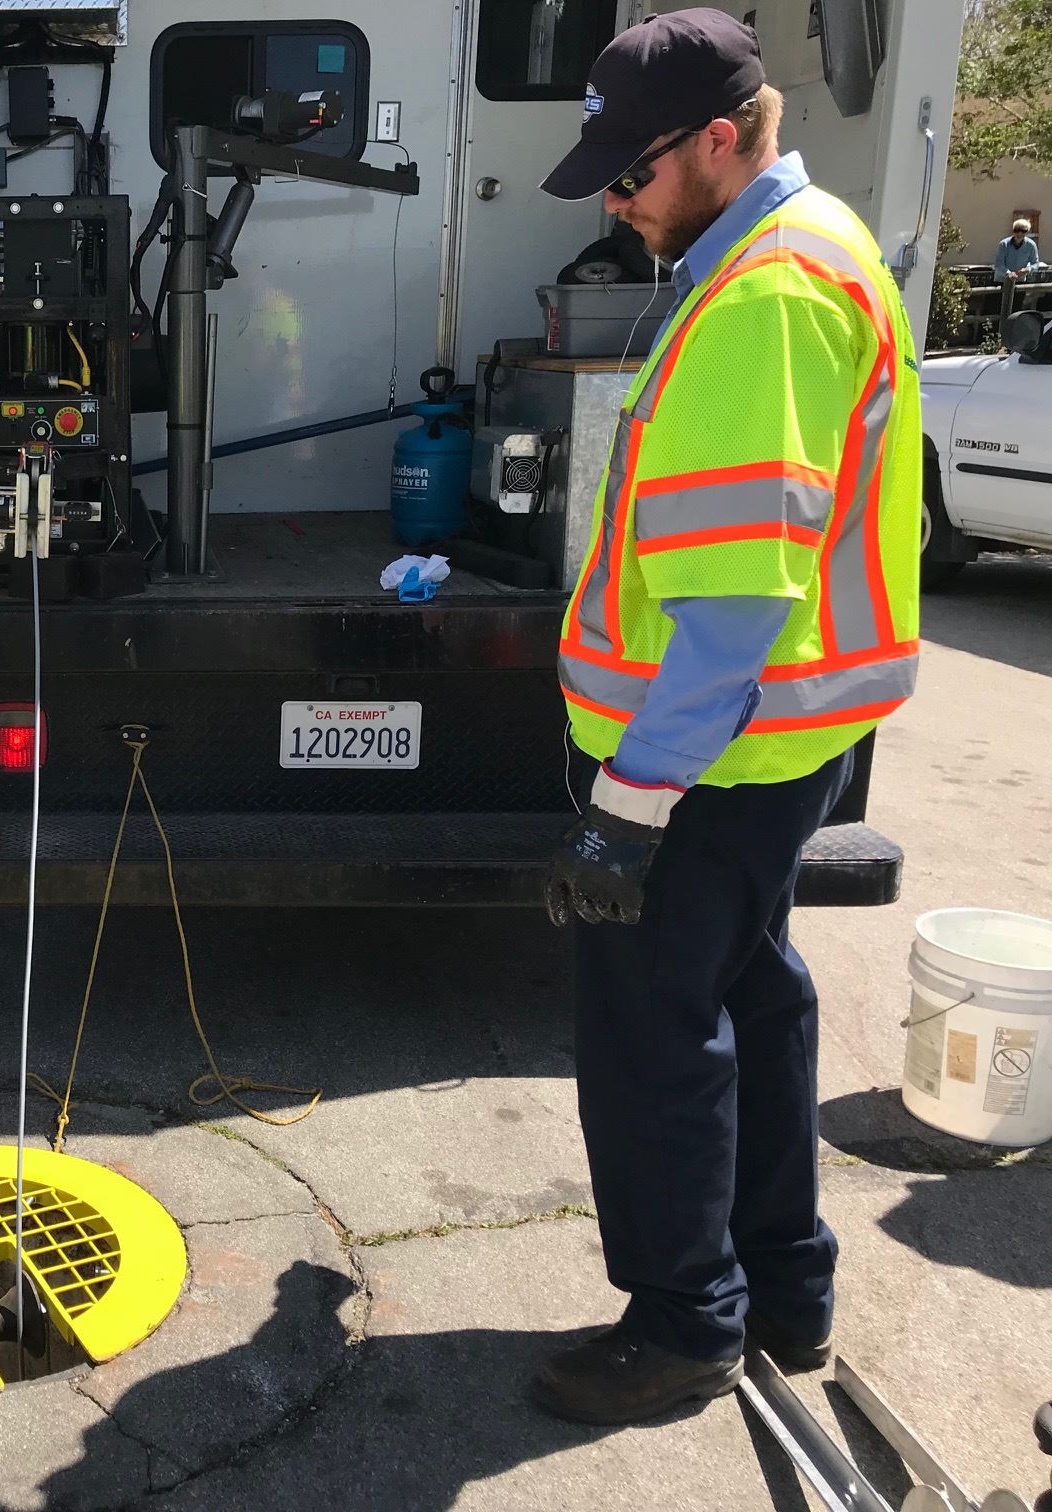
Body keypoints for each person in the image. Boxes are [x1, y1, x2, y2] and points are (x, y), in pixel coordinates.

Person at [534, 10, 920, 1425]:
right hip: (778, 747)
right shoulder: (813, 243)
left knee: (654, 1029)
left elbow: (732, 605)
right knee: (753, 991)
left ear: (718, 138)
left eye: (629, 177)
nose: (618, 206)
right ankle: (784, 1285)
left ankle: (687, 1321)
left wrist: (627, 811)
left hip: (706, 760)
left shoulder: (762, 294)